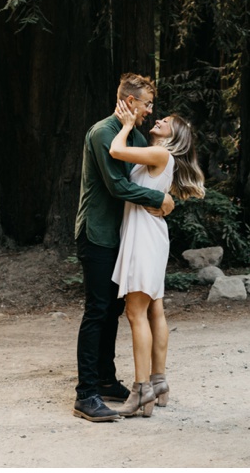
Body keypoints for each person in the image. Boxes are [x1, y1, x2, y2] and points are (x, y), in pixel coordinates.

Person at [72, 73, 173, 423]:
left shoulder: (137, 136)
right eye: (146, 104)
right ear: (130, 102)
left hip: (121, 238)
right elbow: (116, 187)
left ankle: (104, 379)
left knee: (113, 310)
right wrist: (160, 199)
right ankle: (86, 394)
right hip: (97, 233)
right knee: (98, 310)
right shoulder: (102, 133)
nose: (149, 110)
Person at [106, 104, 206, 417]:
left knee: (136, 312)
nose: (159, 119)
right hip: (152, 232)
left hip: (144, 235)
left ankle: (141, 389)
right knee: (155, 310)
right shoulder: (161, 156)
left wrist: (124, 124)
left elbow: (115, 151)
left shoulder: (161, 154)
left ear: (173, 136)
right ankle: (158, 381)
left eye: (167, 122)